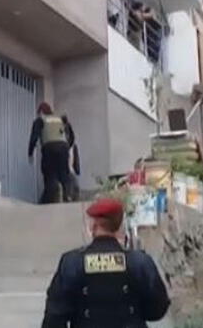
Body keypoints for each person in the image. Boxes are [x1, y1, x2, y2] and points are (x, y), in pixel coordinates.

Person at [41, 198, 170, 328]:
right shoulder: (140, 262)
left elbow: (54, 316)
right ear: (120, 226)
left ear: (93, 226)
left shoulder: (72, 263)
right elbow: (158, 309)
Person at [29, 102, 74, 204]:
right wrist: (68, 147)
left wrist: (30, 153)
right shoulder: (61, 119)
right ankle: (68, 196)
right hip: (63, 147)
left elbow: (34, 137)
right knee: (64, 174)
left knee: (49, 174)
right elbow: (71, 136)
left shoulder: (40, 120)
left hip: (49, 148)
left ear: (41, 112)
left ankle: (49, 199)